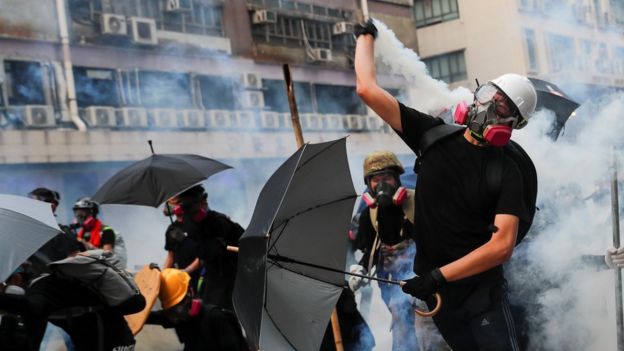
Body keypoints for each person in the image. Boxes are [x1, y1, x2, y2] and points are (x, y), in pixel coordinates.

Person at [354, 19, 537, 350]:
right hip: (435, 301)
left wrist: (439, 275)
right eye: (490, 96)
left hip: (482, 298)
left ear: (512, 124)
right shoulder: (431, 135)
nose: (488, 107)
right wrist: (365, 37)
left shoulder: (508, 170)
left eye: (502, 107)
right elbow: (367, 89)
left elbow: (502, 247)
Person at [348, 151, 420, 351]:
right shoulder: (368, 216)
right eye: (375, 180)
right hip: (391, 284)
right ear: (368, 184)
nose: (381, 185)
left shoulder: (418, 203)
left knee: (429, 333)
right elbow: (370, 249)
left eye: (387, 178)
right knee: (403, 327)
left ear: (397, 178)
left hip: (425, 282)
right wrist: (359, 270)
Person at [0, 252, 144, 351]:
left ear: (17, 279)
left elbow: (31, 308)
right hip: (106, 338)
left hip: (108, 340)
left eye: (1, 287)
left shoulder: (41, 289)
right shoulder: (45, 290)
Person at [175, 185, 244, 309]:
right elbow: (202, 257)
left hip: (228, 277)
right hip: (211, 277)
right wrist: (185, 272)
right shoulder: (194, 225)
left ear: (203, 203)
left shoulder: (219, 222)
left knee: (222, 312)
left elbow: (216, 252)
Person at [146, 268, 247, 351]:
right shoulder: (178, 318)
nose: (176, 316)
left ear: (190, 293)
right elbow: (149, 317)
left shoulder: (215, 317)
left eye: (178, 305)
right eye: (171, 310)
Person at [27, 188, 81, 275]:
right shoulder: (28, 231)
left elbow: (75, 262)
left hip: (54, 283)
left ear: (52, 207)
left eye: (35, 204)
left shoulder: (62, 232)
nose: (31, 207)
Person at [73, 197, 127, 269]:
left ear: (92, 212)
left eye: (82, 212)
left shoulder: (106, 231)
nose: (79, 216)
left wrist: (85, 244)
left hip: (109, 270)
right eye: (77, 212)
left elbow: (107, 255)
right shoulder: (81, 233)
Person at [162, 196, 202, 293]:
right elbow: (170, 257)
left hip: (197, 275)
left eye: (175, 202)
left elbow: (202, 256)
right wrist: (162, 275)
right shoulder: (171, 229)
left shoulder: (196, 224)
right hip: (180, 277)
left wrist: (186, 271)